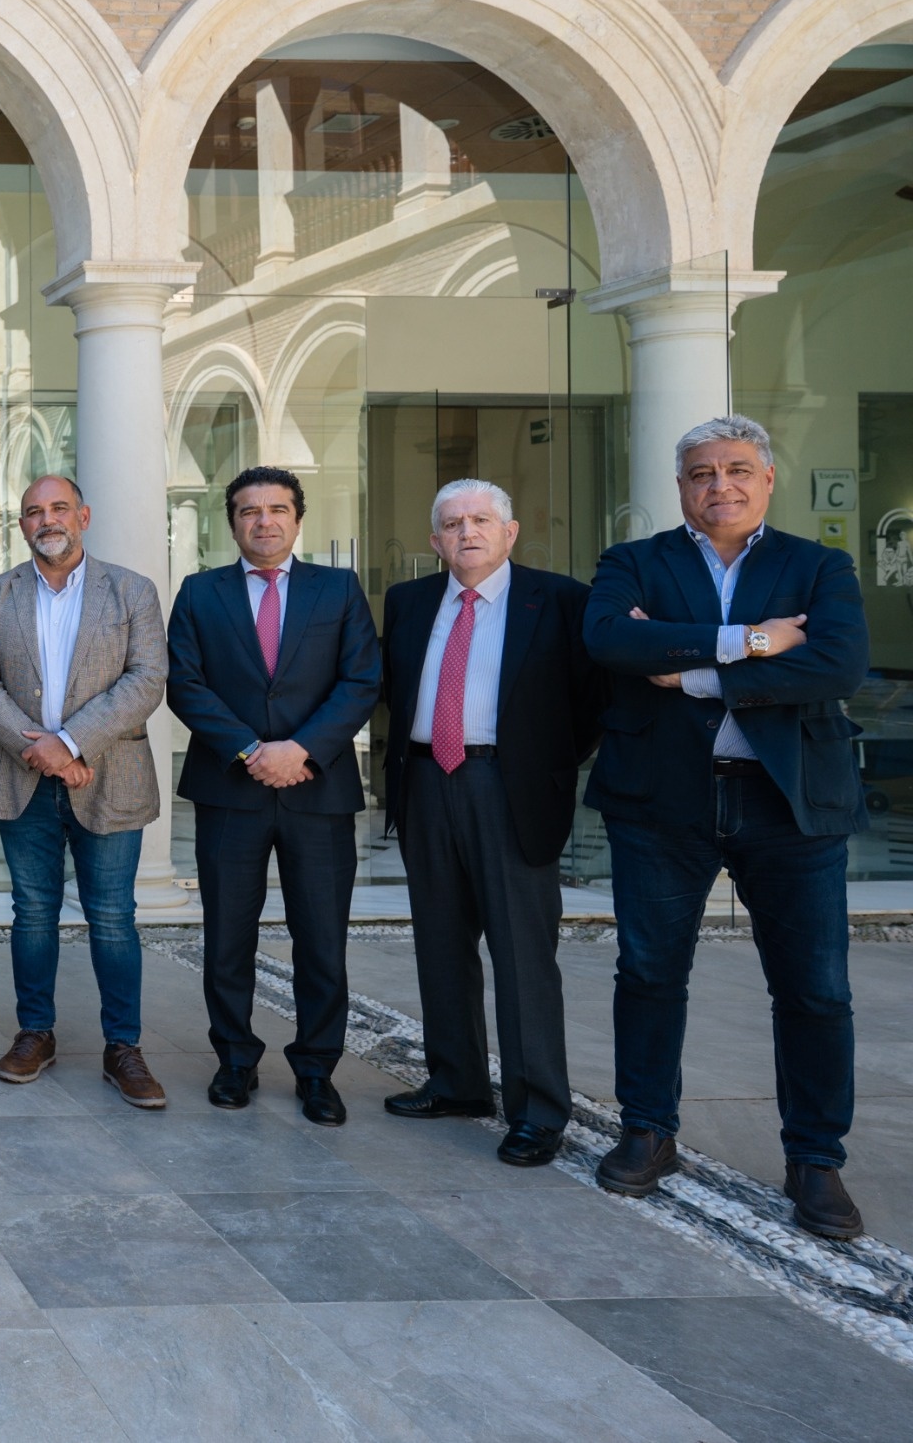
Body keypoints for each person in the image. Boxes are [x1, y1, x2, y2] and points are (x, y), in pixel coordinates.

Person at [583, 414, 870, 1240]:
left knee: (815, 987)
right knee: (647, 971)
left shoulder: (818, 566)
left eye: (738, 468)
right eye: (702, 473)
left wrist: (696, 672)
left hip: (789, 802)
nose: (721, 485)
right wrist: (750, 641)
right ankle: (648, 1128)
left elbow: (838, 663)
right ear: (681, 488)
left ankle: (816, 1159)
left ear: (768, 478)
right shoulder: (633, 561)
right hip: (661, 802)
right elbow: (609, 640)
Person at [379, 479, 603, 1166]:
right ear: (434, 539)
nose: (466, 532)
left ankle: (538, 1108)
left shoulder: (558, 598)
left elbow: (589, 701)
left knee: (521, 954)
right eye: (451, 523)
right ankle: (458, 1081)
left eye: (480, 520)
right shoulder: (410, 600)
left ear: (508, 532)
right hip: (426, 779)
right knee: (441, 944)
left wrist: (542, 767)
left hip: (508, 786)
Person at [164, 466, 380, 1126]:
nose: (264, 520)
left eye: (277, 508)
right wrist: (251, 750)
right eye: (249, 510)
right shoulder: (200, 593)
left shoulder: (338, 589)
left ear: (297, 517)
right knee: (227, 935)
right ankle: (235, 1059)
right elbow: (186, 683)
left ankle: (317, 1069)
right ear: (231, 521)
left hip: (318, 789)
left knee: (322, 939)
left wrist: (302, 749)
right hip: (232, 787)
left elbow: (361, 679)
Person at [0, 475, 169, 1105]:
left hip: (110, 778)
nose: (45, 519)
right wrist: (43, 752)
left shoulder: (131, 590)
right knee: (33, 913)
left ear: (83, 515)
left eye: (57, 508)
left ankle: (124, 1047)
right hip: (21, 780)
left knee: (113, 918)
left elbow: (147, 679)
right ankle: (35, 1033)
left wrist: (72, 743)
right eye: (32, 512)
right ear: (20, 525)